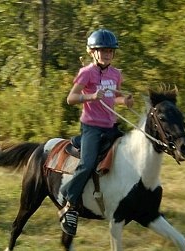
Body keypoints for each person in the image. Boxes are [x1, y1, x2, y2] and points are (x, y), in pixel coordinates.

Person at [59, 28, 134, 236]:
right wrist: (91, 97)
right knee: (88, 163)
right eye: (103, 51)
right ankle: (70, 202)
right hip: (91, 127)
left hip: (111, 126)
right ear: (93, 52)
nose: (107, 54)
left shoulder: (116, 74)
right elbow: (71, 98)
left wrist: (124, 101)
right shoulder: (87, 73)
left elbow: (111, 98)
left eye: (110, 51)